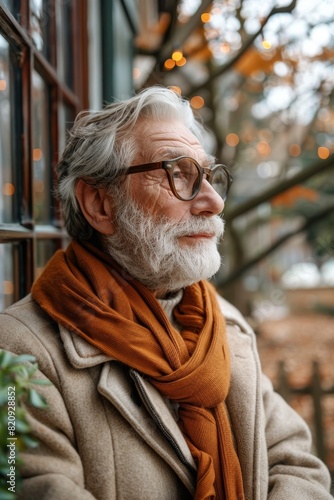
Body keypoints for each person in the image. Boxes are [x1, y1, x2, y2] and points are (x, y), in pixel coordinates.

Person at [0, 86, 332, 500]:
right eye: (178, 174)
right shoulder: (18, 352)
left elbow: (293, 460)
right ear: (100, 204)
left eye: (209, 176)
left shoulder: (221, 321)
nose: (212, 202)